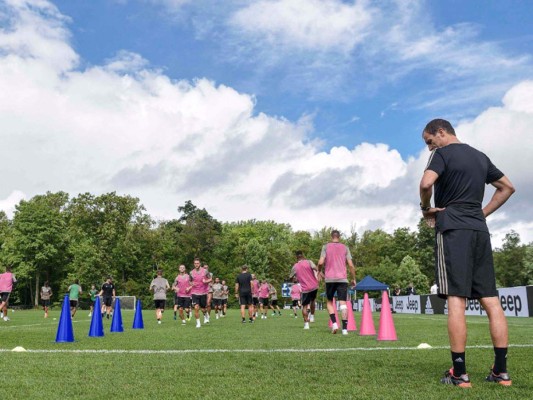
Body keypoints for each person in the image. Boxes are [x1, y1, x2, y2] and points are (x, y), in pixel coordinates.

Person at [419, 118, 515, 387]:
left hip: (453, 230)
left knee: (456, 299)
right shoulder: (480, 156)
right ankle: (501, 372)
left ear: (441, 132)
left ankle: (459, 373)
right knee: (491, 300)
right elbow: (508, 187)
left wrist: (425, 208)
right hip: (479, 230)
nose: (429, 148)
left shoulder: (442, 154)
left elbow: (426, 184)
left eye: (429, 141)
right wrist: (480, 213)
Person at [317, 230, 356, 335]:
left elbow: (320, 262)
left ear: (331, 236)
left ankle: (334, 324)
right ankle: (344, 330)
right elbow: (351, 265)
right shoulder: (345, 247)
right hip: (342, 279)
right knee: (343, 303)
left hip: (330, 279)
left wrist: (319, 271)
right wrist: (353, 278)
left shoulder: (326, 247)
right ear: (339, 237)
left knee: (329, 302)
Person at [290, 251, 319, 329]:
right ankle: (312, 316)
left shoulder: (295, 266)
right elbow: (316, 268)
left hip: (305, 288)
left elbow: (290, 277)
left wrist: (294, 278)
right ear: (303, 255)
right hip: (314, 286)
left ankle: (306, 324)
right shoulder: (309, 262)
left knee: (304, 306)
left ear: (296, 257)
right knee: (313, 300)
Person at [190, 258, 211, 328]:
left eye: (197, 263)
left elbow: (211, 279)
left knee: (203, 309)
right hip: (194, 292)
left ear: (200, 264)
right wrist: (191, 283)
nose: (196, 264)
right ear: (194, 264)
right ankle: (198, 323)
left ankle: (206, 315)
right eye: (195, 263)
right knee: (196, 307)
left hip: (203, 292)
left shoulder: (205, 271)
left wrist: (206, 281)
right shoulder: (191, 272)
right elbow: (190, 281)